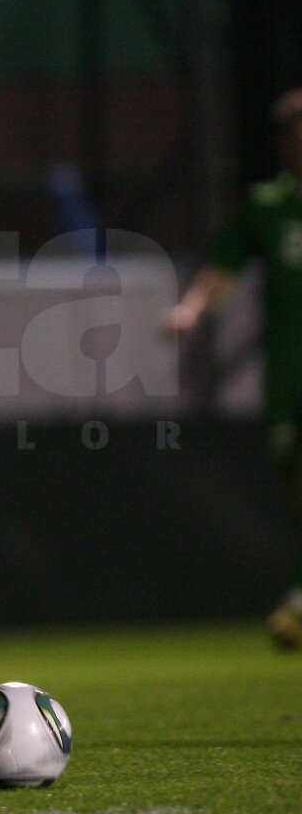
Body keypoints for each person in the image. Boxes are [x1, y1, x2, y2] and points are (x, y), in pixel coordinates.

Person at [166, 87, 302, 650]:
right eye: (293, 131)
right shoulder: (268, 204)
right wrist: (192, 309)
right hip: (288, 372)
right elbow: (224, 265)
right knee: (292, 482)